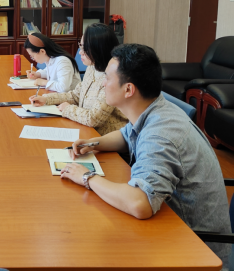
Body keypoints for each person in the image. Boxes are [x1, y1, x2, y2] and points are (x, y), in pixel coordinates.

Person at [61, 43, 231, 270]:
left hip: (195, 250)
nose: (103, 83)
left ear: (128, 90)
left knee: (92, 248)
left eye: (108, 78)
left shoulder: (161, 134)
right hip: (173, 228)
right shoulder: (155, 108)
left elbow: (140, 203)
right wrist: (93, 144)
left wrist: (87, 178)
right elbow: (126, 135)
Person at [30, 23, 127, 135]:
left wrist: (67, 109)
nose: (80, 52)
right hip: (85, 129)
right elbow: (76, 95)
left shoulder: (112, 79)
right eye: (80, 46)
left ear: (98, 49)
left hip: (105, 137)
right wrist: (46, 99)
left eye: (84, 48)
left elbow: (93, 119)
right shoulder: (91, 68)